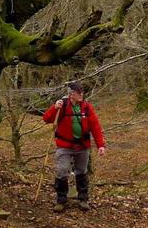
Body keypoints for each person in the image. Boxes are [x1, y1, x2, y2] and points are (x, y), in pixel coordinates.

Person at [42, 82, 106, 212]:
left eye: (82, 92)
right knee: (62, 170)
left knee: (81, 171)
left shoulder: (87, 108)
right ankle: (61, 200)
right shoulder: (62, 106)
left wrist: (101, 145)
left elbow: (95, 126)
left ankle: (83, 199)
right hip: (64, 145)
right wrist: (54, 108)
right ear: (71, 94)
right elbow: (47, 119)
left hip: (82, 146)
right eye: (78, 93)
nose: (81, 95)